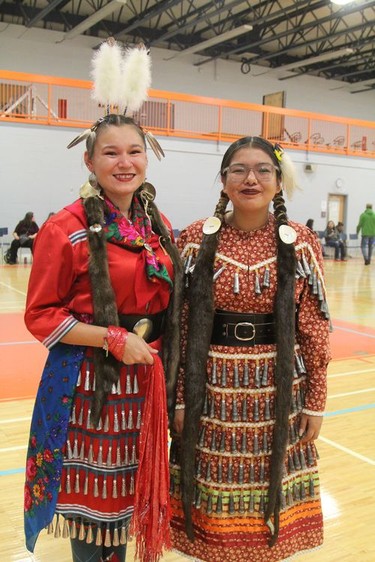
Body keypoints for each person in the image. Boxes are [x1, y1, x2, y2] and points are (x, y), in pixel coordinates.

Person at [23, 41, 183, 562]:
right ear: (89, 158)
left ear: (149, 153)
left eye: (133, 151)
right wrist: (112, 339)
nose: (124, 162)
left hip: (145, 382)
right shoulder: (64, 227)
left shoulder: (157, 224)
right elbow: (41, 316)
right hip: (90, 383)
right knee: (95, 516)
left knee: (131, 504)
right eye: (110, 153)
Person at [168, 137, 331, 562]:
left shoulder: (301, 242)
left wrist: (315, 402)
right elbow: (181, 330)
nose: (250, 179)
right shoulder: (193, 240)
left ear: (278, 181)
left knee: (267, 501)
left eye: (263, 170)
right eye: (238, 170)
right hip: (213, 392)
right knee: (213, 494)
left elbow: (314, 328)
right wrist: (181, 397)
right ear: (223, 181)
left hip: (279, 393)